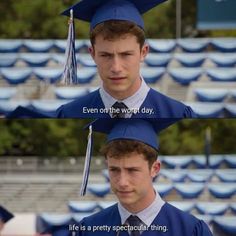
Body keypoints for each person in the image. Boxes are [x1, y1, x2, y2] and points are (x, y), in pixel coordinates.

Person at [56, 0, 196, 118]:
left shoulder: (176, 113)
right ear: (92, 54)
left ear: (143, 52)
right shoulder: (70, 113)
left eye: (126, 54)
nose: (116, 68)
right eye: (106, 55)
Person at [75, 119, 212, 236]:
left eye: (132, 170)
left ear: (155, 169)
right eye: (114, 170)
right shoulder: (88, 229)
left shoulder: (190, 230)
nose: (122, 182)